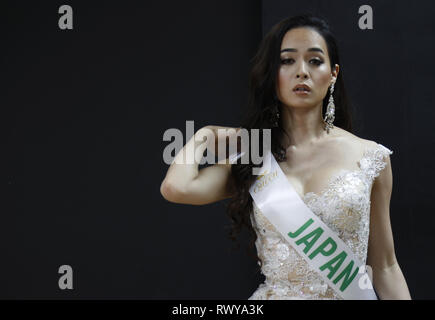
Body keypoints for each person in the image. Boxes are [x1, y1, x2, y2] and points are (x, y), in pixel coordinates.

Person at [160, 14, 411, 300]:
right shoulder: (254, 157)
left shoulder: (370, 157)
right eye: (287, 61)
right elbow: (175, 188)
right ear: (272, 73)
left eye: (315, 61)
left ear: (333, 74)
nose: (301, 71)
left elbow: (386, 266)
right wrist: (203, 135)